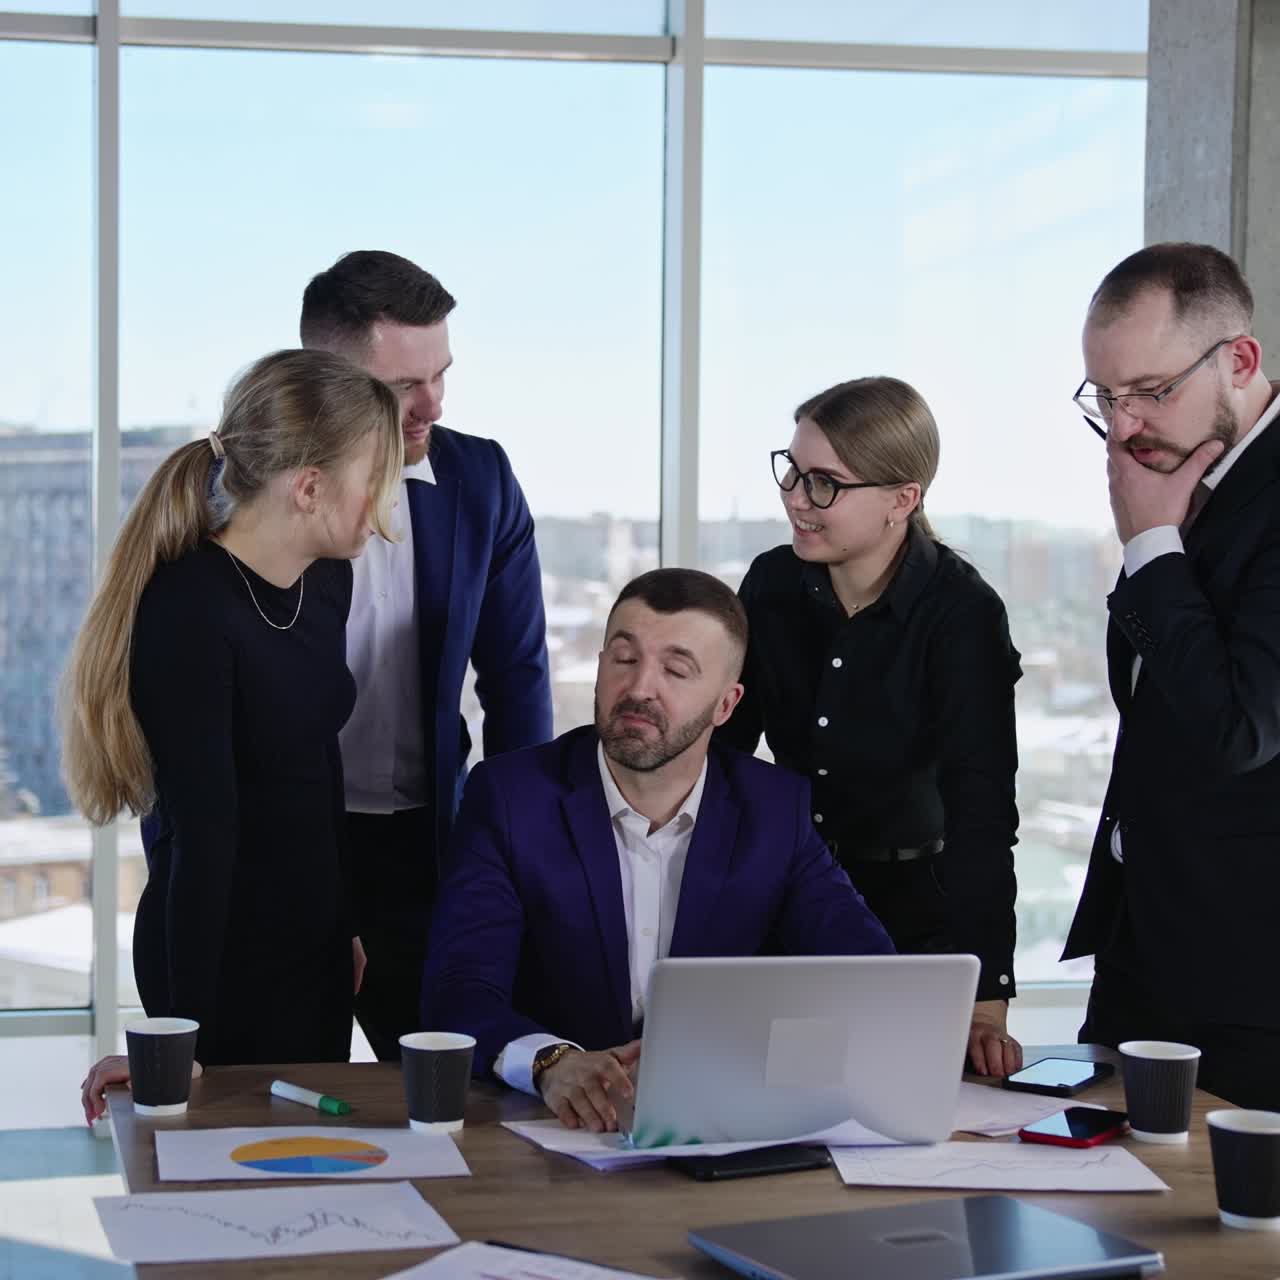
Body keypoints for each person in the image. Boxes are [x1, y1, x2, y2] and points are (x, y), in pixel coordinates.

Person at [422, 568, 895, 1133]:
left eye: (676, 669)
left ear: (726, 705)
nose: (641, 688)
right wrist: (552, 1061)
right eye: (623, 659)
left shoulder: (775, 810)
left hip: (718, 1129)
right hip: (544, 1134)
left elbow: (868, 978)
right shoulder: (509, 797)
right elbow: (459, 992)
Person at [73, 349, 404, 1123]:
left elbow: (320, 767)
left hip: (315, 952)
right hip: (215, 960)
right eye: (373, 478)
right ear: (310, 487)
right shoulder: (188, 609)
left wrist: (340, 921)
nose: (382, 503)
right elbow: (200, 836)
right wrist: (179, 1038)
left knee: (304, 1187)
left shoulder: (327, 580)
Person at [715, 377, 1024, 1078]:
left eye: (825, 483)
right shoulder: (770, 583)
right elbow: (725, 755)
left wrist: (987, 997)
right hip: (789, 894)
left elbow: (982, 813)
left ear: (902, 499)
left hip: (915, 918)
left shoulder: (961, 615)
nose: (796, 496)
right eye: (792, 470)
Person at [298, 251, 554, 1062]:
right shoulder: (249, 482)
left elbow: (518, 681)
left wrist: (534, 850)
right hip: (291, 837)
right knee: (278, 1088)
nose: (432, 404)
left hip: (427, 844)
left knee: (449, 1094)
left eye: (440, 374)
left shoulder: (481, 479)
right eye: (404, 386)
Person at [1062, 242, 1280, 1110]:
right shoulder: (1189, 479)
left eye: (1151, 393)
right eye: (1106, 399)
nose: (1123, 427)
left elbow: (1237, 728)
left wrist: (1150, 544)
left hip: (1250, 981)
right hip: (1142, 950)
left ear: (1241, 360)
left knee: (1228, 1242)